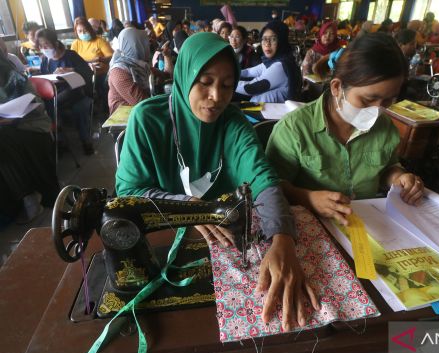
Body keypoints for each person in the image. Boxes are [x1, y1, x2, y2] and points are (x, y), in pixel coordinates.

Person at [115, 32, 318, 331]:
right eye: (205, 82)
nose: (216, 97)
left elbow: (263, 178)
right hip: (167, 240)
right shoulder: (147, 119)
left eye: (226, 86)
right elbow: (127, 192)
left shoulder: (232, 122)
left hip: (219, 243)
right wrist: (186, 207)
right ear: (185, 75)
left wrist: (283, 240)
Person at [266, 33, 425, 226]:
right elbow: (273, 186)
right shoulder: (295, 129)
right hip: (311, 224)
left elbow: (386, 168)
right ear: (337, 87)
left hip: (366, 223)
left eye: (388, 100)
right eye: (367, 100)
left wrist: (400, 177)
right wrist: (307, 198)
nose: (377, 110)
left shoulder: (384, 127)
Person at [0, 44, 59, 223]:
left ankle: (27, 197)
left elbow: (34, 106)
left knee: (3, 141)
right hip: (7, 127)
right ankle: (17, 200)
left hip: (31, 125)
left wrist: (9, 119)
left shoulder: (15, 78)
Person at [36, 29, 95, 155]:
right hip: (57, 95)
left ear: (55, 43)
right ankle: (60, 140)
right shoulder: (46, 61)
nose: (44, 48)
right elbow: (43, 79)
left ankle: (86, 141)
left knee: (75, 108)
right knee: (51, 106)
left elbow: (88, 73)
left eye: (46, 44)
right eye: (41, 46)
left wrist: (71, 70)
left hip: (78, 93)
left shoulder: (71, 55)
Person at [235, 21, 301, 103]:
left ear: (282, 41)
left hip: (273, 114)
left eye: (273, 39)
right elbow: (249, 72)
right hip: (264, 109)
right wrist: (232, 73)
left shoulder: (280, 65)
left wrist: (228, 81)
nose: (267, 44)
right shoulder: (273, 60)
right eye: (264, 39)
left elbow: (250, 88)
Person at [108, 28, 151, 114]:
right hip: (124, 115)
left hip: (139, 109)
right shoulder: (119, 71)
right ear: (136, 45)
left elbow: (165, 75)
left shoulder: (139, 64)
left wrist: (166, 56)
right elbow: (140, 102)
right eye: (143, 43)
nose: (148, 45)